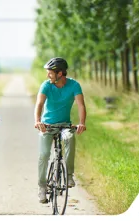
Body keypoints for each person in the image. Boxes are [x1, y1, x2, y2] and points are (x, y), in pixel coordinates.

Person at [34, 57, 87, 203]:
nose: (47, 75)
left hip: (65, 125)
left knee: (69, 138)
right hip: (47, 125)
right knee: (44, 154)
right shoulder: (46, 85)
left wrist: (82, 123)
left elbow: (81, 105)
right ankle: (42, 187)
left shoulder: (74, 85)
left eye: (50, 73)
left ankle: (69, 175)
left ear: (60, 73)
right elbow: (39, 104)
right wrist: (38, 121)